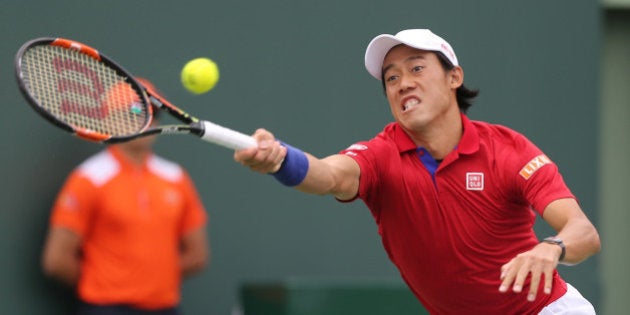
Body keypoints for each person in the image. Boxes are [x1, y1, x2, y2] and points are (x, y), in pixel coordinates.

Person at [233, 29, 601, 314]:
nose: (403, 82)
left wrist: (551, 248)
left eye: (417, 68)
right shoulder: (380, 156)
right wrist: (281, 160)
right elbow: (330, 175)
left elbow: (583, 232)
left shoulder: (508, 150)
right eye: (391, 78)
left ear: (454, 77)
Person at [41, 78, 209, 315]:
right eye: (135, 111)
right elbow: (57, 260)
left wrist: (150, 281)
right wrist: (109, 285)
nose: (146, 120)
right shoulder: (89, 178)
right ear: (110, 118)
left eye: (154, 114)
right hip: (105, 309)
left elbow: (197, 255)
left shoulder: (176, 178)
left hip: (165, 308)